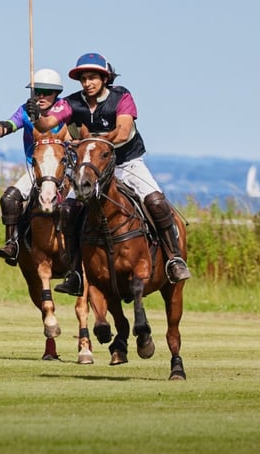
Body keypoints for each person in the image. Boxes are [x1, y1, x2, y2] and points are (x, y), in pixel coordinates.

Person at [31, 52, 191, 295]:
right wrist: (38, 116)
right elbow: (47, 123)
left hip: (126, 163)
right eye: (83, 79)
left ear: (104, 78)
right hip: (91, 168)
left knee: (156, 201)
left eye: (92, 77)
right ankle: (75, 272)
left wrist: (95, 140)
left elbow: (123, 132)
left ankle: (174, 259)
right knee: (68, 210)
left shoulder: (121, 97)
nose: (87, 83)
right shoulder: (73, 102)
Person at [0, 68, 67, 266]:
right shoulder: (26, 109)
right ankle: (12, 244)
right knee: (9, 198)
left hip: (63, 169)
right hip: (36, 170)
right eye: (36, 91)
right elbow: (10, 125)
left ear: (56, 94)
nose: (40, 96)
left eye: (46, 92)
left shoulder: (65, 109)